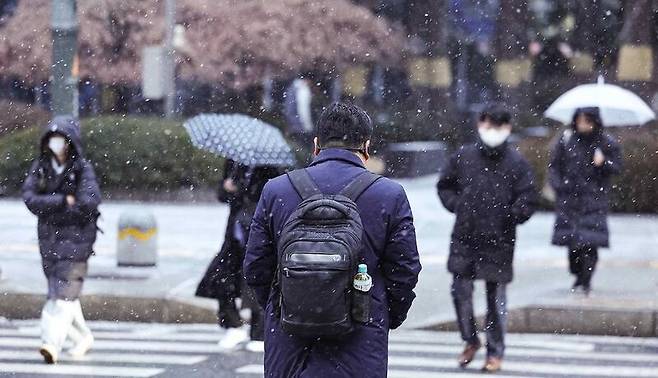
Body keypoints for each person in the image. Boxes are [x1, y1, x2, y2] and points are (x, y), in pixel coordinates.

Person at [244, 102, 421, 377]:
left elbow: (256, 268)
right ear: (366, 146)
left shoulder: (276, 190)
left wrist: (287, 303)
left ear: (316, 144)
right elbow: (405, 272)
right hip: (360, 338)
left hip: (290, 340)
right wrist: (380, 313)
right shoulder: (389, 195)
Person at [437, 104, 537, 373]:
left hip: (499, 238)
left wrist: (512, 214)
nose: (493, 131)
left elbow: (528, 198)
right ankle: (470, 339)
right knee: (460, 293)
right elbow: (444, 185)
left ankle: (495, 352)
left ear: (508, 128)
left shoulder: (517, 163)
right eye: (489, 125)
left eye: (499, 126)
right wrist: (458, 205)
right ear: (480, 125)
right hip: (465, 236)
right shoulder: (463, 157)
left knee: (496, 301)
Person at [22, 116, 101, 364]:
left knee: (62, 296)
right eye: (52, 139)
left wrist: (58, 207)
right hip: (49, 241)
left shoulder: (82, 168)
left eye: (61, 139)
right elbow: (30, 198)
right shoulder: (42, 167)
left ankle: (50, 343)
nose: (56, 144)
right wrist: (61, 200)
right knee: (62, 292)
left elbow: (88, 202)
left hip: (77, 242)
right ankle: (83, 336)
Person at [196, 160, 281, 352]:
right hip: (235, 233)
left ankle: (259, 334)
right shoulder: (235, 160)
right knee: (219, 278)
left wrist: (242, 188)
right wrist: (228, 187)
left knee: (256, 280)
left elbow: (270, 195)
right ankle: (232, 324)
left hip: (258, 232)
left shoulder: (270, 164)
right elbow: (222, 195)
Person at [549, 107, 622, 295]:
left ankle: (586, 279)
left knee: (590, 243)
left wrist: (603, 162)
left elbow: (616, 167)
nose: (583, 125)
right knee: (573, 245)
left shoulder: (606, 143)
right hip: (569, 200)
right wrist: (559, 187)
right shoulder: (566, 140)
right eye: (580, 120)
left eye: (587, 121)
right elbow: (555, 166)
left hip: (594, 200)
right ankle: (578, 274)